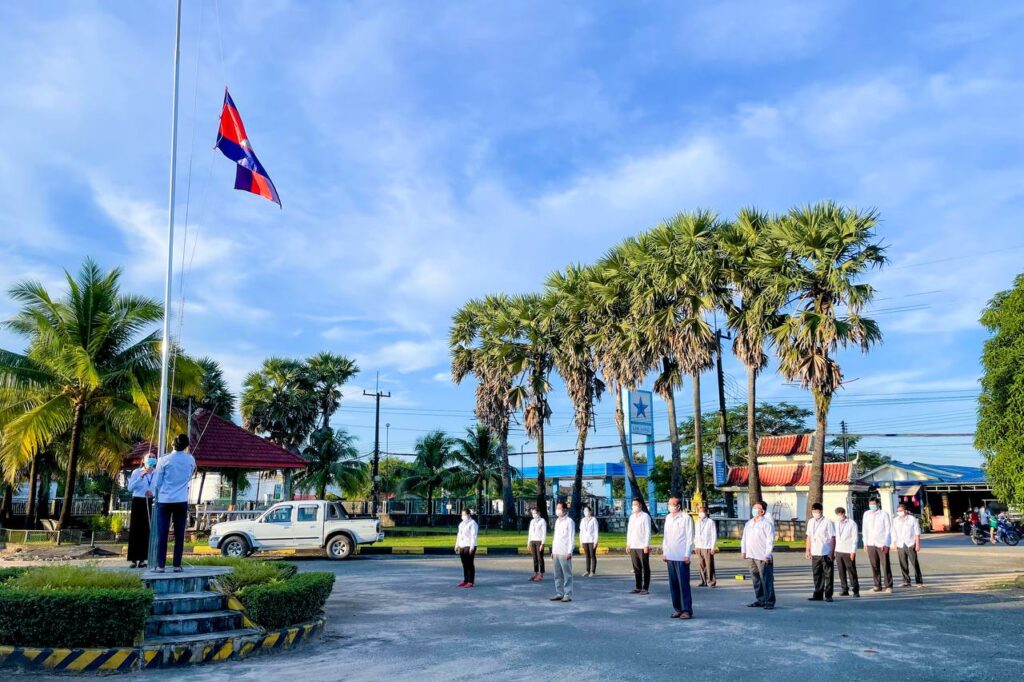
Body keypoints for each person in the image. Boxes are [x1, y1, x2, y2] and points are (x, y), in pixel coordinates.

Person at [152, 434, 196, 573]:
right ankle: (177, 565)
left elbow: (157, 482)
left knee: (162, 534)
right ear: (186, 445)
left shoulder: (163, 460)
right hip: (181, 500)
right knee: (179, 534)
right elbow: (190, 476)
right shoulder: (190, 459)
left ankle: (161, 565)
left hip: (165, 500)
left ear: (173, 444)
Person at [662, 497, 695, 619]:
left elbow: (690, 537)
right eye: (669, 504)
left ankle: (687, 610)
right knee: (674, 585)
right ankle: (678, 609)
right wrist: (665, 552)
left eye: (672, 504)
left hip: (682, 556)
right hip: (670, 555)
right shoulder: (668, 518)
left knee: (683, 584)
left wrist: (687, 554)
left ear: (678, 506)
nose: (670, 506)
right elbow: (666, 537)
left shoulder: (686, 518)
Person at [741, 501, 775, 609]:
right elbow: (744, 538)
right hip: (751, 555)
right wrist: (743, 551)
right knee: (756, 579)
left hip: (762, 556)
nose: (754, 510)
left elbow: (770, 541)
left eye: (757, 508)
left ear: (762, 511)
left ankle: (769, 601)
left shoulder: (766, 524)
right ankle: (761, 600)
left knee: (766, 580)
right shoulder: (749, 523)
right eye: (753, 508)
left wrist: (767, 555)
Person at [126, 454, 156, 568]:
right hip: (138, 501)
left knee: (146, 530)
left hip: (150, 500)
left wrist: (153, 493)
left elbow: (160, 487)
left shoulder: (157, 473)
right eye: (149, 457)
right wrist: (141, 476)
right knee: (135, 529)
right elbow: (130, 488)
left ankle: (143, 559)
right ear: (143, 460)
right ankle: (133, 559)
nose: (152, 458)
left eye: (154, 457)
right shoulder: (137, 472)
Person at [805, 502, 836, 602]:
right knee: (816, 574)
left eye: (817, 511)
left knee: (828, 574)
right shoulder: (811, 522)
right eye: (813, 511)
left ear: (821, 511)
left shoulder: (827, 522)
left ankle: (828, 595)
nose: (815, 513)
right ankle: (818, 594)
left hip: (826, 551)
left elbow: (832, 537)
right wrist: (807, 550)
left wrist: (831, 551)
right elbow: (809, 536)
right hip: (815, 552)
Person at [862, 497, 893, 593]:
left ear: (878, 504)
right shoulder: (866, 514)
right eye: (870, 504)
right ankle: (877, 585)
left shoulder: (884, 514)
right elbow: (864, 529)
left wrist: (886, 543)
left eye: (874, 504)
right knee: (874, 565)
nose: (872, 506)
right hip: (871, 543)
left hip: (881, 543)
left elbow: (888, 529)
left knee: (885, 564)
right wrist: (865, 543)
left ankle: (888, 585)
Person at [891, 503, 923, 587]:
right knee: (903, 563)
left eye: (901, 510)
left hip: (910, 543)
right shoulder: (895, 520)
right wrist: (894, 543)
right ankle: (906, 581)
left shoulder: (912, 519)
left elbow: (917, 532)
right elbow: (894, 532)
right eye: (898, 511)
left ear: (905, 510)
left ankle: (919, 581)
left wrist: (917, 544)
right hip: (900, 544)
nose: (899, 512)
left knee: (914, 562)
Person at [549, 502, 575, 603]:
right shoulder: (557, 521)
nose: (557, 510)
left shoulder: (569, 521)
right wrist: (553, 550)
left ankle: (567, 594)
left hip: (564, 551)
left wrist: (570, 551)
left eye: (559, 508)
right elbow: (555, 537)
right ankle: (559, 593)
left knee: (567, 574)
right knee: (557, 574)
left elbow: (571, 537)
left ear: (564, 509)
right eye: (557, 508)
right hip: (556, 551)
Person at [626, 500, 652, 595]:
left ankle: (645, 588)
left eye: (635, 504)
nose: (633, 506)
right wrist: (628, 544)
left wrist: (646, 545)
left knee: (645, 567)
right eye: (632, 505)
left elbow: (648, 531)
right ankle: (638, 587)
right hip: (633, 545)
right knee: (636, 568)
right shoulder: (632, 517)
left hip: (642, 546)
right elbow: (629, 531)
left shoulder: (645, 516)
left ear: (640, 505)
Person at [833, 507, 860, 597]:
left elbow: (855, 538)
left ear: (844, 513)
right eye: (837, 515)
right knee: (841, 571)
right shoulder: (836, 523)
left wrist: (853, 551)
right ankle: (844, 589)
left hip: (848, 550)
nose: (839, 516)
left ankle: (855, 590)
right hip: (839, 550)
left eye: (840, 514)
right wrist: (834, 551)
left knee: (851, 571)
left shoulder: (851, 523)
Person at [694, 505, 717, 587]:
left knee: (709, 564)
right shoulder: (697, 522)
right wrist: (696, 546)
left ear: (706, 512)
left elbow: (714, 535)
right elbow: (696, 535)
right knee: (701, 565)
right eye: (700, 512)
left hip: (708, 546)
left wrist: (713, 547)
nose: (701, 513)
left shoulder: (710, 522)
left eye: (703, 511)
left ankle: (711, 581)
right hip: (700, 546)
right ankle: (703, 581)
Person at [455, 508, 479, 588]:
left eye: (464, 514)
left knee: (469, 563)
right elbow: (459, 535)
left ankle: (470, 581)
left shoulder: (473, 523)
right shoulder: (461, 524)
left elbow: (473, 536)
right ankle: (465, 580)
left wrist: (472, 547)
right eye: (462, 515)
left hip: (469, 545)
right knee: (464, 564)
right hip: (462, 545)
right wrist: (457, 545)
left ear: (468, 515)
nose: (463, 516)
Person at [527, 507, 547, 582]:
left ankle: (541, 574)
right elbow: (530, 533)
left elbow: (544, 533)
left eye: (535, 513)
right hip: (533, 541)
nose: (534, 514)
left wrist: (543, 543)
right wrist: (528, 542)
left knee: (540, 558)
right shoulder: (532, 521)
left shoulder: (542, 521)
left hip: (539, 541)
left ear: (539, 513)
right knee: (534, 558)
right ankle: (535, 573)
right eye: (532, 513)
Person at [579, 506, 599, 576]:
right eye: (584, 511)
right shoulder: (582, 520)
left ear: (590, 512)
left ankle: (593, 571)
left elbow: (596, 531)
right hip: (585, 540)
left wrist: (595, 542)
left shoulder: (594, 520)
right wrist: (581, 541)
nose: (586, 512)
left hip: (592, 540)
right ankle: (587, 570)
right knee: (587, 556)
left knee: (592, 555)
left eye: (587, 511)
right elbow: (581, 531)